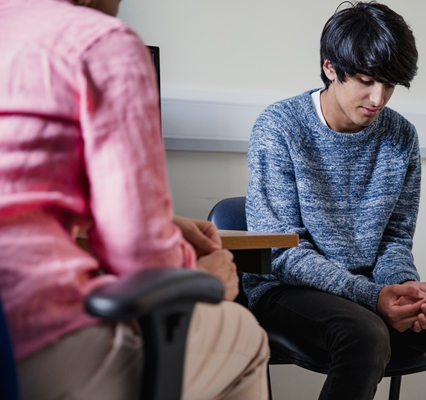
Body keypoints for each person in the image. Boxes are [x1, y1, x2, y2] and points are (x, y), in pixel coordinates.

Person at [0, 0, 269, 399]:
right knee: (243, 332)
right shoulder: (98, 42)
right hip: (34, 340)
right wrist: (201, 279)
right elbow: (141, 260)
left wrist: (164, 222)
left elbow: (23, 199)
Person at [244, 1, 426, 399]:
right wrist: (373, 297)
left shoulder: (401, 136)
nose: (378, 98)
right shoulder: (280, 127)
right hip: (283, 288)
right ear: (330, 68)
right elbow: (281, 252)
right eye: (366, 80)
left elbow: (394, 240)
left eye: (390, 85)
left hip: (371, 289)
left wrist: (405, 290)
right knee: (366, 335)